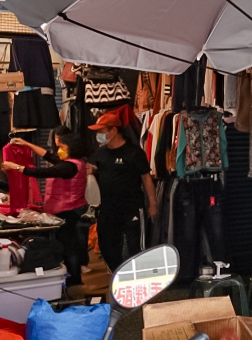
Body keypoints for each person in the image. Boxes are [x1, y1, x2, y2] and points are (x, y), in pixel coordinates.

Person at [2, 128, 90, 284]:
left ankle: (74, 280)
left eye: (62, 147)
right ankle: (71, 278)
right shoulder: (74, 163)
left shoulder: (68, 167)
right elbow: (47, 155)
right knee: (70, 245)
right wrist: (27, 144)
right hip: (68, 209)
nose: (59, 150)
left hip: (67, 211)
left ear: (71, 148)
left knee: (69, 247)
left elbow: (40, 172)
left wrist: (15, 166)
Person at [89, 112, 158, 272]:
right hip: (107, 209)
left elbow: (146, 178)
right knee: (107, 246)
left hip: (131, 207)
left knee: (135, 247)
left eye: (101, 131)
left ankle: (137, 276)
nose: (98, 135)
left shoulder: (134, 152)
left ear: (113, 131)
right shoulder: (100, 154)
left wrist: (152, 203)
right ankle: (117, 273)